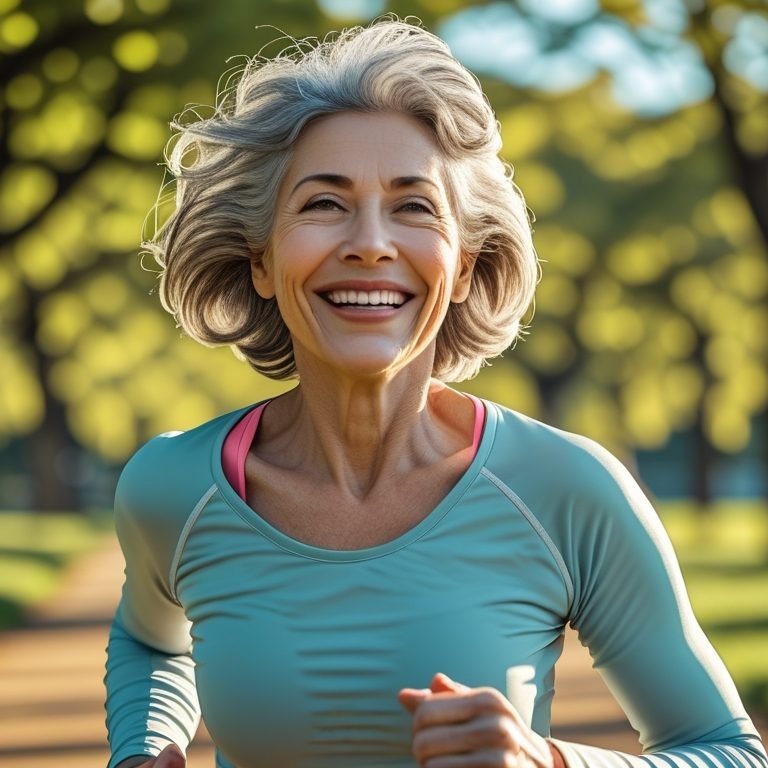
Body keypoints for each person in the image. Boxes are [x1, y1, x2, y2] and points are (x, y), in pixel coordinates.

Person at [104, 17, 767, 768]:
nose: (371, 242)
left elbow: (726, 752)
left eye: (414, 206)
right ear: (260, 259)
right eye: (324, 203)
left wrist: (550, 763)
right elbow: (147, 640)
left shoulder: (565, 490)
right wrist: (142, 746)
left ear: (463, 266)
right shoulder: (174, 487)